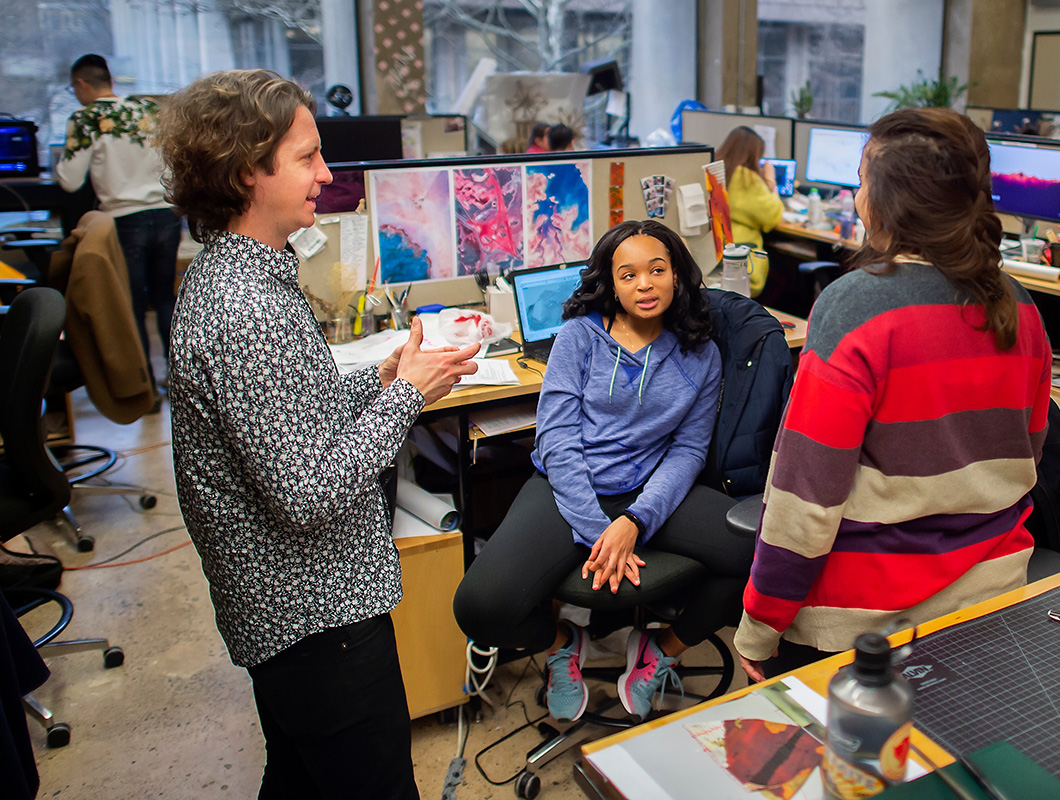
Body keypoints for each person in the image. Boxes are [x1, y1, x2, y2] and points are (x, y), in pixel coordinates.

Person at [157, 69, 480, 799]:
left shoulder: (242, 279)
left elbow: (289, 410)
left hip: (294, 614)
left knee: (301, 779)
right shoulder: (247, 311)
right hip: (316, 618)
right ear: (248, 171)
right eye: (307, 158)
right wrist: (409, 396)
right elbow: (306, 493)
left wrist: (382, 375)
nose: (326, 176)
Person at [735, 107, 1053, 681]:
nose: (856, 198)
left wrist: (761, 625)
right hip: (993, 597)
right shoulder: (1020, 305)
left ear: (889, 203)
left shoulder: (856, 307)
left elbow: (806, 496)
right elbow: (1027, 456)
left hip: (865, 624)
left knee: (850, 769)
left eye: (862, 182)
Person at [454, 220, 753, 722]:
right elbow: (556, 440)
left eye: (657, 270)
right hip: (566, 486)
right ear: (610, 283)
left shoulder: (701, 352)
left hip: (651, 490)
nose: (644, 284)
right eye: (628, 274)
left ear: (676, 275)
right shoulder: (579, 338)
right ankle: (564, 643)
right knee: (481, 608)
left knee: (767, 550)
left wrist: (635, 522)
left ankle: (660, 650)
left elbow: (687, 451)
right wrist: (599, 532)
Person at [55, 54, 181, 395]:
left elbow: (68, 180)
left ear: (82, 84)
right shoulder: (147, 109)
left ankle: (143, 388)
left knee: (132, 304)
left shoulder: (86, 118)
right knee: (166, 298)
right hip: (166, 213)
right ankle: (181, 381)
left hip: (124, 219)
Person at [714, 126, 783, 297]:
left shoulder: (716, 171)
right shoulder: (747, 179)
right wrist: (770, 179)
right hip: (743, 263)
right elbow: (772, 217)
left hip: (716, 257)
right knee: (784, 276)